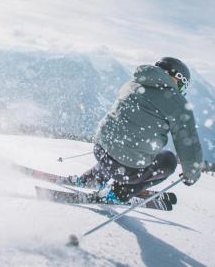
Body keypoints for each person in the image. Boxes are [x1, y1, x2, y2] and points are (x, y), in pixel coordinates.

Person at [71, 57, 203, 203]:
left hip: (101, 151)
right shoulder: (177, 103)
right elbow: (189, 144)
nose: (181, 92)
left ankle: (94, 178)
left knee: (120, 145)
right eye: (182, 87)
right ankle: (118, 193)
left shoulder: (133, 83)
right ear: (176, 78)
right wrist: (192, 174)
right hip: (127, 169)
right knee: (168, 160)